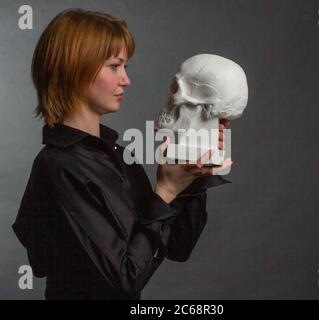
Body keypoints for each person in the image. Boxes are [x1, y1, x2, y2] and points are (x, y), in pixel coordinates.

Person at [12, 8, 232, 300]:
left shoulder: (116, 156)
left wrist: (190, 169)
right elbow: (125, 277)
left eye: (124, 66)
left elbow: (179, 246)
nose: (126, 79)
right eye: (114, 66)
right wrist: (165, 191)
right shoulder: (59, 167)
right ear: (75, 69)